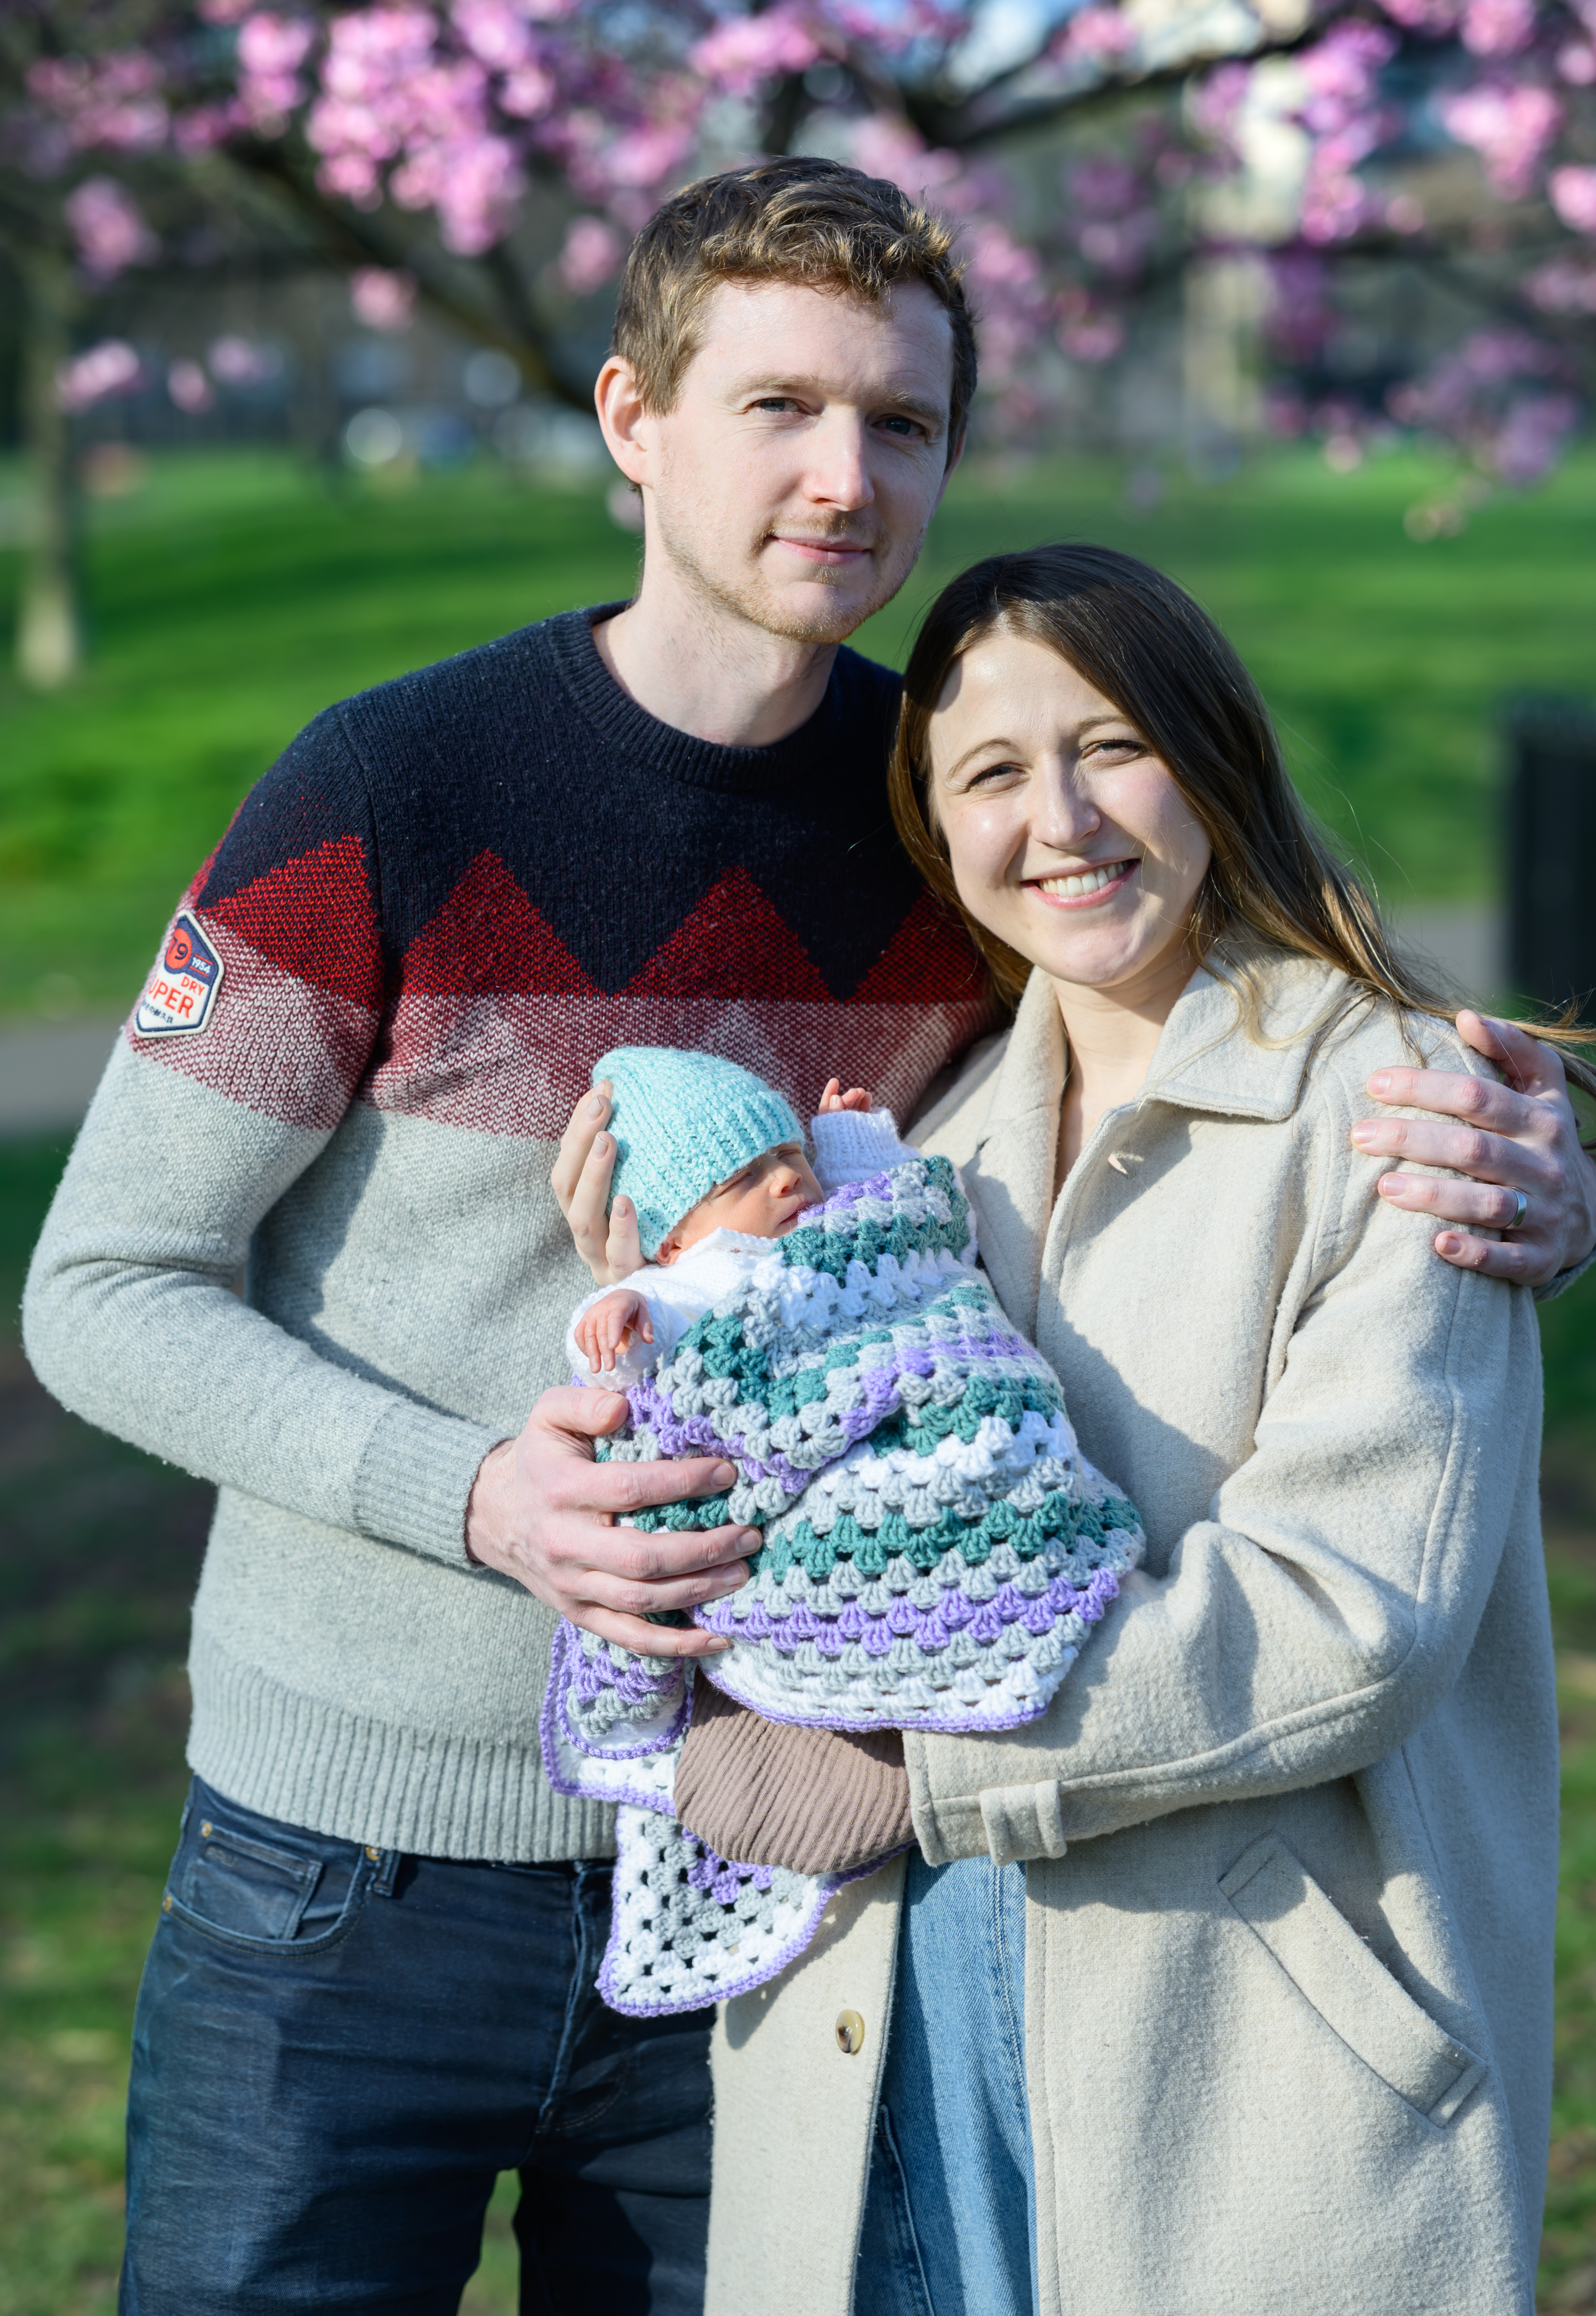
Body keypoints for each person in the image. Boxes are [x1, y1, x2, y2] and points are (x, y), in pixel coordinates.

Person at [21, 141, 1590, 2312]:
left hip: (794, 1908)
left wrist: (1522, 1166)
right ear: (633, 419)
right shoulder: (391, 789)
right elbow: (103, 1290)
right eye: (779, 405)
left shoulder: (954, 817)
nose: (846, 476)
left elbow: (1198, 1091)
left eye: (901, 419)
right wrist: (482, 1497)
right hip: (353, 1877)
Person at [689, 543, 1590, 2316]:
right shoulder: (924, 1162)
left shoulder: (1401, 1116)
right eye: (993, 772)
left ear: (1214, 754)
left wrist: (917, 1766)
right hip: (892, 2032)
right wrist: (670, 1310)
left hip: (1246, 2047)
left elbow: (1347, 1620)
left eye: (1112, 745)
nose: (1063, 820)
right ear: (938, 827)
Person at [544, 1047, 1142, 2020]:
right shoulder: (700, 1279)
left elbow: (909, 1230)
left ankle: (968, 1615)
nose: (788, 1181)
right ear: (673, 1237)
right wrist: (615, 1312)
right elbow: (645, 1345)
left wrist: (855, 1138)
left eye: (793, 1156)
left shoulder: (844, 1227)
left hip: (928, 1390)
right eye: (745, 1178)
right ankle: (844, 1710)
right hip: (794, 1456)